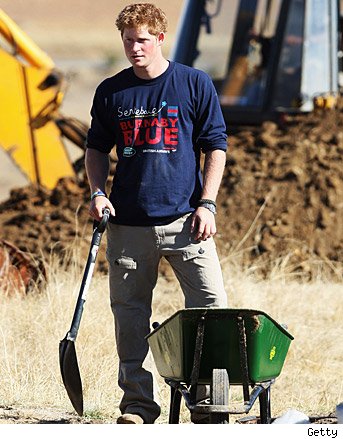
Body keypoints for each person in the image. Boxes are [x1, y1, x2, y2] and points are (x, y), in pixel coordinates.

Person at [85, 2, 228, 424]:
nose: (134, 49)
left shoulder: (193, 83)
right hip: (128, 225)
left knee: (211, 308)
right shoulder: (112, 91)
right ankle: (137, 405)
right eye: (128, 41)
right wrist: (97, 192)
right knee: (130, 316)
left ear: (160, 38)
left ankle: (207, 401)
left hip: (187, 222)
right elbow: (95, 148)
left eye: (142, 40)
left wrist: (208, 203)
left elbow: (215, 145)